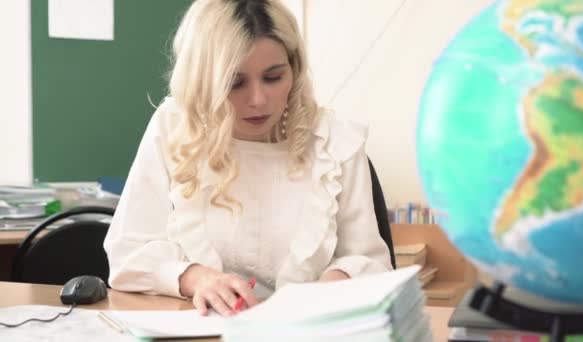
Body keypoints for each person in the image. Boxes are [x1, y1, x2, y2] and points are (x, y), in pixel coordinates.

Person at [103, 0, 392, 317]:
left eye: (273, 77)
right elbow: (126, 253)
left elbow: (373, 262)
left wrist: (334, 283)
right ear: (203, 81)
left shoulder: (335, 142)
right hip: (200, 328)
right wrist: (196, 278)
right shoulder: (175, 127)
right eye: (234, 83)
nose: (257, 100)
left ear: (293, 70)